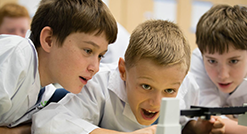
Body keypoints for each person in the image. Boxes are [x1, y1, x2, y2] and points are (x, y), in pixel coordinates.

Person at [32, 20, 223, 134]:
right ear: (123, 70)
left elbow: (182, 124)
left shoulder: (187, 85)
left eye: (169, 90)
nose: (156, 102)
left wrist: (196, 128)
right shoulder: (98, 85)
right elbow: (46, 123)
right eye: (146, 86)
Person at [0, 0, 117, 133]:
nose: (95, 68)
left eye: (101, 56)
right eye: (88, 50)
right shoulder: (15, 53)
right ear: (49, 40)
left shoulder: (45, 94)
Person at [190, 4, 247, 133]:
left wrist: (228, 124)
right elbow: (210, 120)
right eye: (212, 61)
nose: (223, 75)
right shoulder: (198, 59)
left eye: (233, 61)